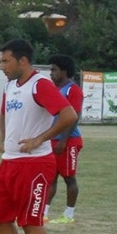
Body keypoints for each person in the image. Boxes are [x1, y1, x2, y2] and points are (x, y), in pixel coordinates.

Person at [0, 39, 77, 234]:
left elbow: (69, 115)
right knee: (1, 219)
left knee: (31, 222)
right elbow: (3, 115)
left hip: (35, 164)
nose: (2, 66)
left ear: (22, 60)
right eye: (0, 61)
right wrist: (4, 141)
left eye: (5, 61)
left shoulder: (40, 85)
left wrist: (39, 139)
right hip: (9, 163)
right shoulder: (11, 85)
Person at [45, 54, 84, 224]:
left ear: (64, 71)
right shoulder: (55, 89)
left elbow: (74, 117)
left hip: (68, 141)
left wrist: (63, 140)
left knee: (69, 178)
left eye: (54, 70)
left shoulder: (72, 90)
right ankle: (44, 212)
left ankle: (68, 215)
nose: (51, 73)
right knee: (50, 177)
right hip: (53, 140)